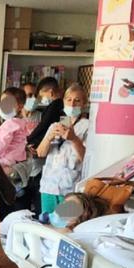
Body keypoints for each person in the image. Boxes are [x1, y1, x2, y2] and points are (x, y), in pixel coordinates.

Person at [36, 84, 91, 215]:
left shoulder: (88, 126)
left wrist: (74, 139)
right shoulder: (56, 125)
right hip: (48, 186)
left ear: (84, 104)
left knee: (65, 225)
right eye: (69, 100)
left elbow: (87, 159)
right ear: (64, 102)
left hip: (70, 188)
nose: (72, 104)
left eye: (77, 100)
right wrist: (48, 138)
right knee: (47, 224)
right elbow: (40, 153)